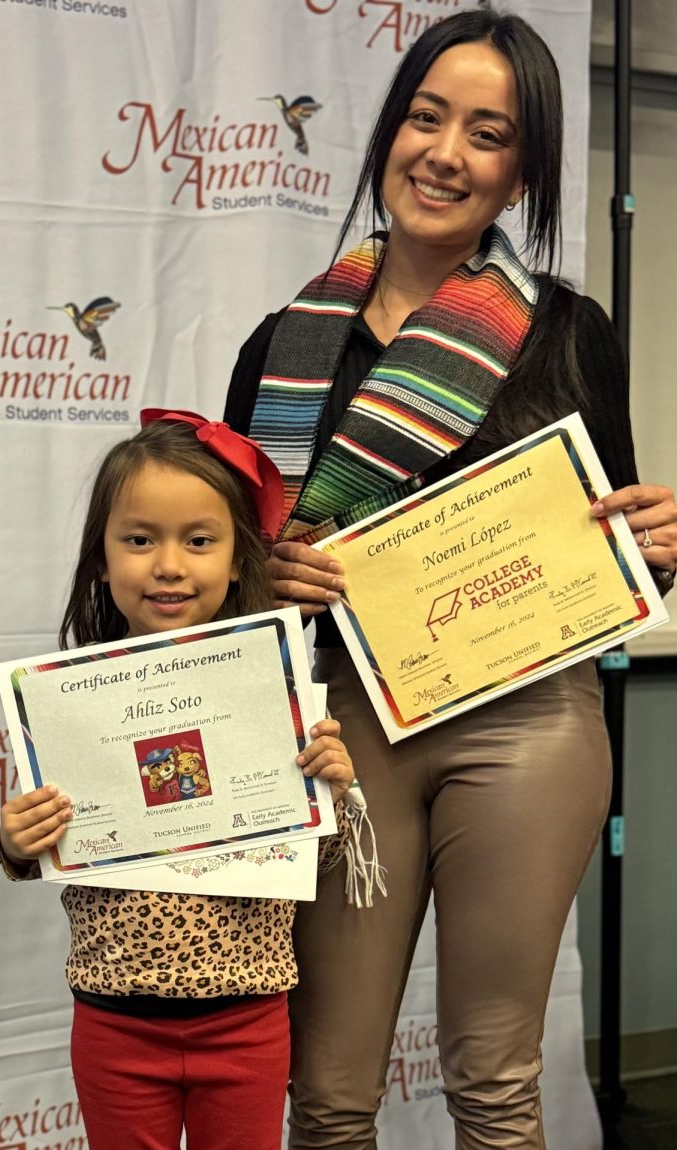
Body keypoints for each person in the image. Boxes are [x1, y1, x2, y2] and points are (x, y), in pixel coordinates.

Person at [223, 9, 677, 1148]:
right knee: (325, 1095)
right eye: (426, 117)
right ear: (388, 132)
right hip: (340, 729)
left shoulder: (567, 333)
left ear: (522, 169)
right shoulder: (281, 344)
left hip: (524, 724)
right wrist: (266, 572)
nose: (446, 153)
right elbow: (222, 585)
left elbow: (609, 559)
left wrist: (656, 540)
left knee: (494, 1085)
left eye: (488, 133)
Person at [0, 412, 357, 1150]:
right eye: (139, 539)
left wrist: (333, 792)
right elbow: (39, 846)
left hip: (250, 1019)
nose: (169, 565)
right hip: (113, 1021)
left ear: (236, 560)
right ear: (101, 557)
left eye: (199, 540)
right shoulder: (68, 704)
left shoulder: (273, 692)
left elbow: (318, 861)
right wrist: (15, 841)